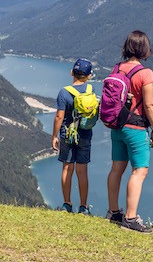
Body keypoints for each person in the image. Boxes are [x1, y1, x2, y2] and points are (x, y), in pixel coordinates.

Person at [106, 30, 153, 233]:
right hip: (136, 128)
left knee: (116, 169)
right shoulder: (145, 73)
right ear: (145, 49)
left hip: (117, 127)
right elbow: (149, 105)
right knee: (139, 171)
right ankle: (130, 217)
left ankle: (113, 212)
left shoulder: (117, 68)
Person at [51, 58, 95, 215]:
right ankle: (83, 207)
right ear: (89, 76)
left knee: (67, 169)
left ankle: (67, 204)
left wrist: (54, 136)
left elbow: (59, 117)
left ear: (71, 73)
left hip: (68, 134)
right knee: (82, 172)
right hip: (85, 134)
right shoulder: (91, 89)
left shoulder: (64, 92)